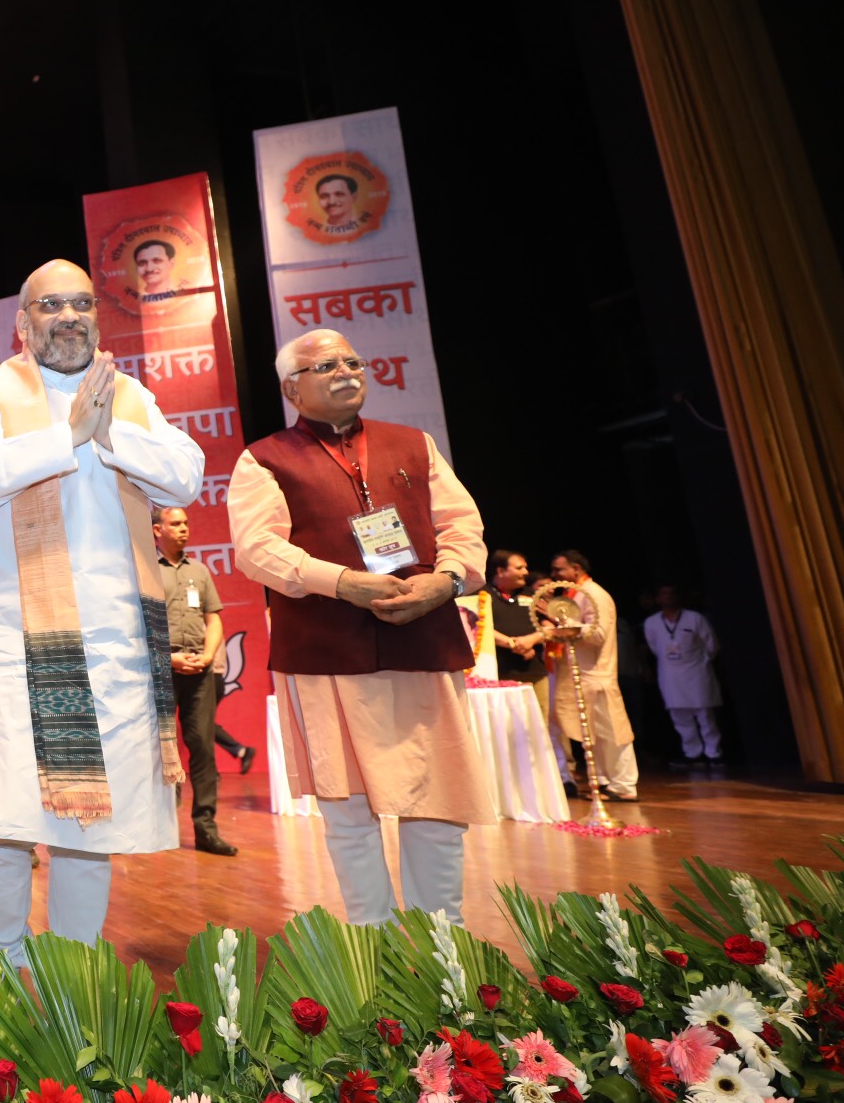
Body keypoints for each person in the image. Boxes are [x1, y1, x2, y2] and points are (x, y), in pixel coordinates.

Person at [0, 258, 204, 964]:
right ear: (22, 323)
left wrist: (107, 435)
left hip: (110, 646)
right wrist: (64, 437)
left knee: (87, 828)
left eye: (80, 303)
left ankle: (73, 977)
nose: (68, 316)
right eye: (50, 306)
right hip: (8, 643)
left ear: (97, 314)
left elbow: (184, 474)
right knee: (2, 816)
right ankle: (3, 966)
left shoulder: (129, 397)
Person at [227, 329, 492, 926]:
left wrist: (446, 581)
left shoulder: (414, 444)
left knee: (439, 801)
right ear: (292, 388)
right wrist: (342, 582)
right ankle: (370, 951)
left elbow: (462, 526)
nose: (347, 371)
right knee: (349, 815)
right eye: (327, 365)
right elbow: (256, 550)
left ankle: (441, 948)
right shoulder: (263, 458)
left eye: (353, 361)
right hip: (326, 652)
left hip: (423, 637)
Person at [153, 505, 250, 856]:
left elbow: (215, 619)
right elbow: (139, 625)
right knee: (155, 751)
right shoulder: (146, 571)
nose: (183, 529)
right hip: (161, 670)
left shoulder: (199, 570)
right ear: (156, 531)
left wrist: (208, 656)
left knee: (203, 749)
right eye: (175, 524)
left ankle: (206, 829)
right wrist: (169, 658)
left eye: (186, 523)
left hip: (199, 670)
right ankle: (154, 828)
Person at [545, 549, 639, 800]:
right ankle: (607, 782)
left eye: (559, 569)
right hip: (583, 674)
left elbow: (598, 635)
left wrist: (563, 628)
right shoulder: (576, 595)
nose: (555, 575)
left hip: (598, 673)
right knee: (594, 735)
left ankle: (624, 785)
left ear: (576, 569)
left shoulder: (595, 594)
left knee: (612, 733)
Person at [485, 549, 564, 786]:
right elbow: (476, 624)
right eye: (519, 567)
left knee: (538, 726)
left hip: (534, 671)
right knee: (504, 728)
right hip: (499, 673)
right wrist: (511, 644)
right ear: (500, 571)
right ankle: (506, 782)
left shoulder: (533, 595)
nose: (525, 572)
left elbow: (551, 626)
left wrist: (531, 640)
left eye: (525, 567)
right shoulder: (482, 594)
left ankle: (540, 782)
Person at [644, 584, 723, 768]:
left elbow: (712, 645)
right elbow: (655, 647)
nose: (668, 597)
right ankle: (693, 753)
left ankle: (714, 753)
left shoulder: (695, 618)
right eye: (664, 593)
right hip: (670, 675)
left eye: (672, 593)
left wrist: (699, 661)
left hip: (696, 672)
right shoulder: (652, 622)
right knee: (680, 716)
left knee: (705, 714)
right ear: (658, 598)